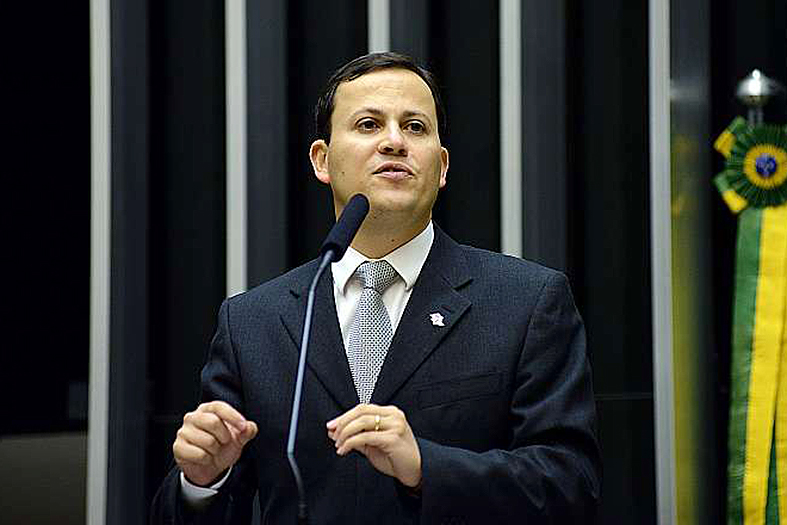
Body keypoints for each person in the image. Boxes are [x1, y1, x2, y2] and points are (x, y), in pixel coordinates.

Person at [150, 52, 601, 524]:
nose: (393, 142)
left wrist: (426, 466)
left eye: (415, 127)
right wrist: (200, 483)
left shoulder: (526, 302)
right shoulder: (252, 323)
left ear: (441, 167)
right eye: (368, 125)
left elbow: (572, 486)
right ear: (322, 160)